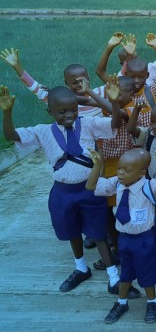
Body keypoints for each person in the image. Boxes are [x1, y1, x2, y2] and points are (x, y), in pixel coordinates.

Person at [0, 84, 122, 294]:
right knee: (71, 229)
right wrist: (7, 112)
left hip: (90, 189)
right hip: (63, 191)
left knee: (98, 231)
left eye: (73, 110)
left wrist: (115, 102)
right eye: (62, 111)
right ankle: (81, 268)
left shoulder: (88, 124)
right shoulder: (43, 131)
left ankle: (113, 276)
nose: (69, 115)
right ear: (50, 112)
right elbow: (12, 136)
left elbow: (116, 123)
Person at [86, 146, 156, 324]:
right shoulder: (117, 184)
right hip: (125, 238)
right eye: (119, 167)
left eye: (126, 170)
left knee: (147, 274)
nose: (120, 173)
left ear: (142, 172)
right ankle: (121, 302)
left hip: (145, 239)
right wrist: (97, 166)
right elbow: (91, 186)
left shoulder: (150, 186)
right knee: (125, 273)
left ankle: (152, 302)